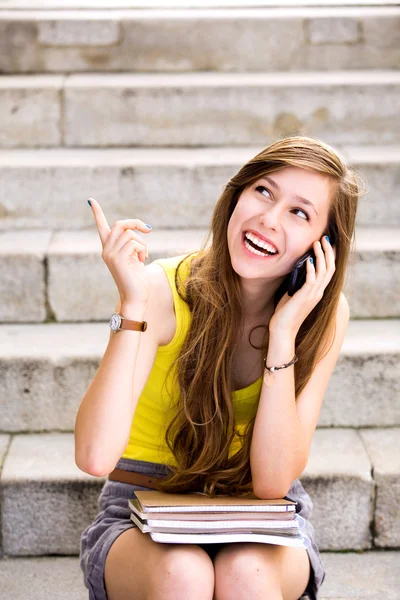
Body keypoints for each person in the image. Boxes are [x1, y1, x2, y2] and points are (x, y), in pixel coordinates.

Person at [76, 135, 362, 600]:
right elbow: (93, 455)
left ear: (322, 246)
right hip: (139, 515)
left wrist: (283, 334)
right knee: (184, 573)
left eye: (299, 212)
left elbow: (272, 483)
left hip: (258, 519)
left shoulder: (324, 315)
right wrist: (132, 304)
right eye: (263, 192)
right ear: (237, 195)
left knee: (246, 573)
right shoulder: (158, 291)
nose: (268, 219)